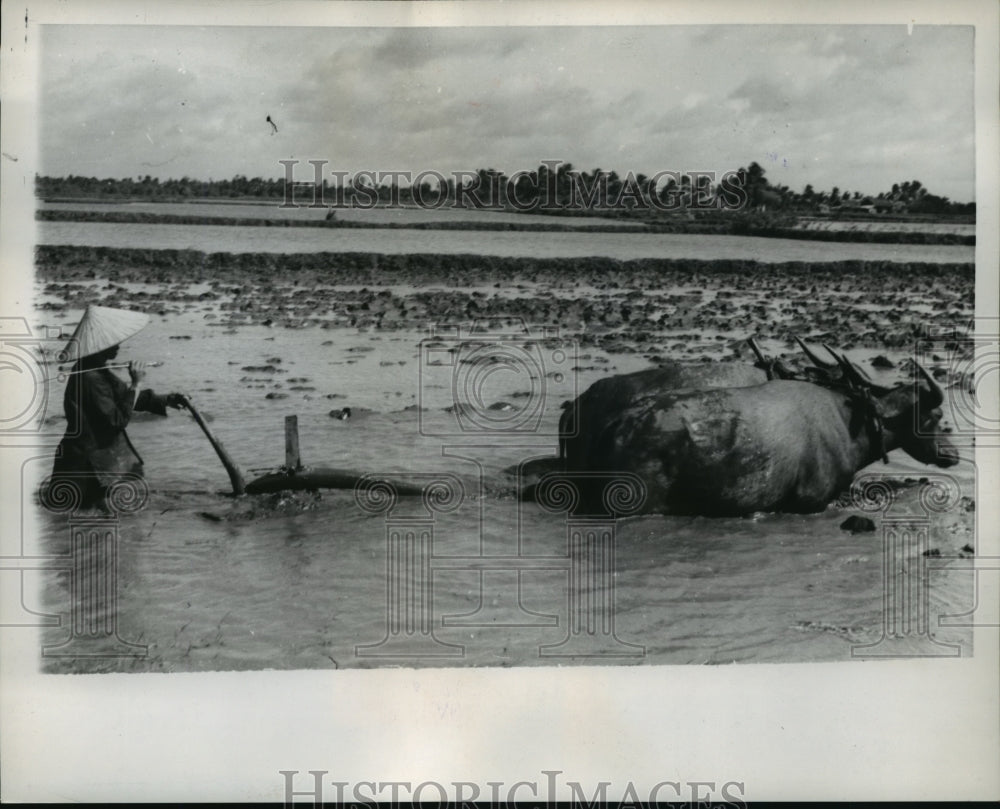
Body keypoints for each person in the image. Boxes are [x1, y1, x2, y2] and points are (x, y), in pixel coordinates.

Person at [47, 305, 185, 510]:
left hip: (90, 458)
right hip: (84, 463)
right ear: (99, 345)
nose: (119, 345)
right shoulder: (91, 378)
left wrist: (168, 400)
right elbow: (117, 420)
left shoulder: (95, 370)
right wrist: (136, 383)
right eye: (113, 342)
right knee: (79, 517)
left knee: (88, 518)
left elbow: (125, 397)